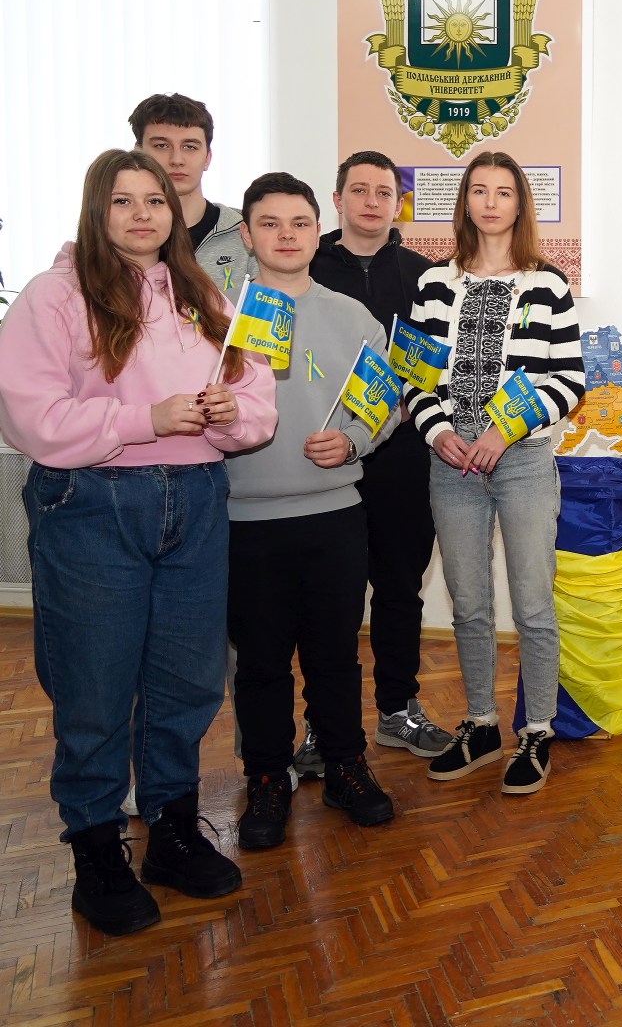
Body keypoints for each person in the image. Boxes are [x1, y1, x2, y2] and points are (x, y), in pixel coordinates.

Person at [0, 148, 276, 935]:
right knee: (94, 686)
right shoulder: (54, 296)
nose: (143, 214)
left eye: (154, 200)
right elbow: (30, 418)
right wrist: (142, 420)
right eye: (123, 201)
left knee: (186, 680)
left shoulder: (204, 294)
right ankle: (96, 852)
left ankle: (173, 831)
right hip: (92, 502)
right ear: (97, 210)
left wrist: (232, 415)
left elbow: (255, 395)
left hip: (196, 499)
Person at [226, 172, 398, 850]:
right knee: (261, 663)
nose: (286, 236)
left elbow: (384, 402)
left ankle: (345, 765)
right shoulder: (218, 317)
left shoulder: (352, 316)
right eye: (269, 224)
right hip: (245, 520)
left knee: (335, 656)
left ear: (316, 230)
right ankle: (268, 777)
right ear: (247, 235)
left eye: (299, 223)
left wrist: (353, 440)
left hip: (334, 515)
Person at [403, 151, 584, 795]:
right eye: (478, 190)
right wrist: (439, 432)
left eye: (503, 192)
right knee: (470, 603)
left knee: (533, 603)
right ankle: (480, 724)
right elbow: (413, 379)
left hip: (524, 462)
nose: (490, 202)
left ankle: (537, 730)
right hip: (451, 465)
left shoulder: (549, 285)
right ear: (465, 202)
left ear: (519, 204)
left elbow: (569, 381)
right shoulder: (434, 284)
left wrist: (504, 430)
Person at [309, 151, 450, 762]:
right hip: (324, 459)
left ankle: (398, 710)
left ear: (399, 204)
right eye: (359, 190)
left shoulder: (427, 278)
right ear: (337, 199)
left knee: (399, 591)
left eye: (384, 192)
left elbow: (436, 368)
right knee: (328, 599)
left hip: (403, 460)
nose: (371, 201)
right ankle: (323, 725)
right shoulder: (303, 268)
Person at [130, 93, 255, 291]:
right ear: (138, 153)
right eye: (161, 146)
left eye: (189, 146)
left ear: (207, 158)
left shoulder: (250, 232)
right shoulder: (118, 234)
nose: (176, 160)